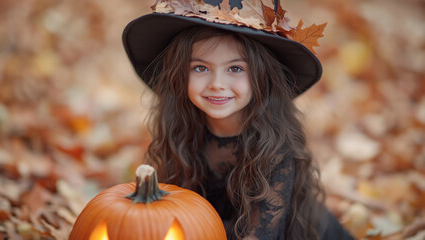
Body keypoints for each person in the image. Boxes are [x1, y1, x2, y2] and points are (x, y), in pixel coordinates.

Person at [122, 0, 354, 239]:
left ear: (263, 77)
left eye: (235, 69)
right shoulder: (180, 133)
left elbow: (260, 235)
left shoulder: (275, 150)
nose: (217, 84)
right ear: (179, 74)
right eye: (200, 68)